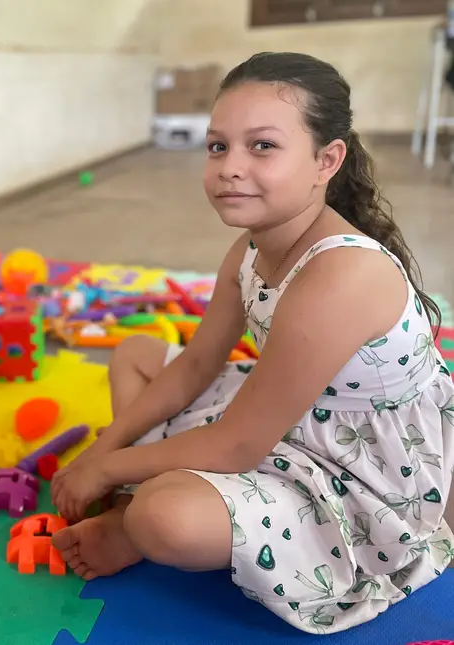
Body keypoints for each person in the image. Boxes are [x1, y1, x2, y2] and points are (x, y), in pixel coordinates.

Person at [50, 52, 454, 634]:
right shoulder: (249, 249)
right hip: (288, 414)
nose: (230, 167)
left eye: (262, 146)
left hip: (364, 460)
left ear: (326, 160)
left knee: (164, 517)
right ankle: (138, 496)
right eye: (218, 146)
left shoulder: (340, 276)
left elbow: (239, 444)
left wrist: (109, 469)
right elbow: (194, 364)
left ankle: (132, 522)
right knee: (137, 353)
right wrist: (100, 453)